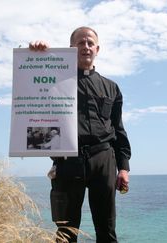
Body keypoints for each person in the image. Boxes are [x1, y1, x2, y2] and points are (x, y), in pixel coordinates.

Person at [29, 26, 131, 243]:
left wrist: (124, 167)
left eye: (90, 43)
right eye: (80, 43)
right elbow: (32, 78)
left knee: (107, 229)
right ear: (71, 48)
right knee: (66, 231)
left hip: (104, 159)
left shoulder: (111, 87)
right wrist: (38, 54)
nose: (85, 47)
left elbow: (118, 129)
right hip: (68, 160)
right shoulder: (56, 82)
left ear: (97, 49)